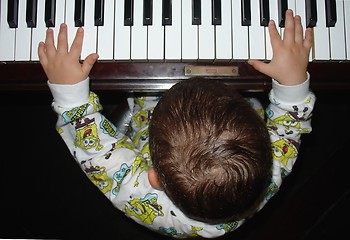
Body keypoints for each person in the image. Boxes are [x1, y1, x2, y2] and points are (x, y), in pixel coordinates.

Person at [38, 9, 315, 238]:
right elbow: (288, 127)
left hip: (147, 107)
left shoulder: (137, 195)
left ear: (154, 177)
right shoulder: (268, 174)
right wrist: (293, 83)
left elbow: (97, 153)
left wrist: (72, 95)